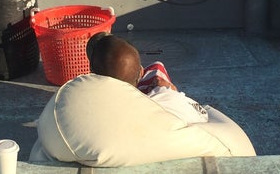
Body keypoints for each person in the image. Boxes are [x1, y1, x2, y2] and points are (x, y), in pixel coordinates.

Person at [29, 32, 256, 166]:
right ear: (138, 75)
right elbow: (202, 116)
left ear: (92, 73)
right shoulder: (168, 102)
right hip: (230, 148)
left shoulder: (74, 107)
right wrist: (169, 93)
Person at [86, 32, 208, 123]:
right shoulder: (168, 99)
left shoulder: (92, 113)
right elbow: (204, 116)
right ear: (140, 73)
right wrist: (174, 94)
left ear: (92, 74)